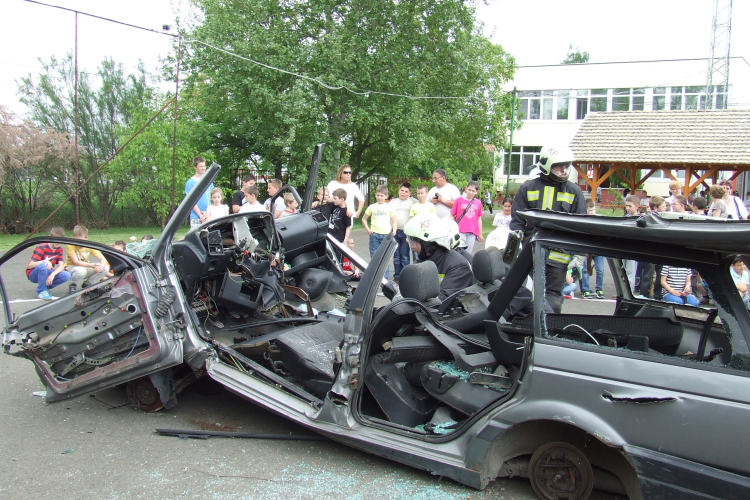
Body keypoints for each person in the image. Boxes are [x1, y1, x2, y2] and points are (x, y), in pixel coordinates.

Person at [510, 145, 586, 313]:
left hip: (558, 257)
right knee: (523, 294)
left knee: (554, 302)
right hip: (530, 254)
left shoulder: (575, 191)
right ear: (546, 165)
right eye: (558, 166)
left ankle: (549, 332)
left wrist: (579, 256)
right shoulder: (528, 187)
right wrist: (514, 250)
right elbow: (516, 222)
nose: (563, 170)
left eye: (566, 166)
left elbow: (581, 226)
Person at [404, 213, 473, 301]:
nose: (411, 246)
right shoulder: (423, 260)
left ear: (426, 243)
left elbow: (442, 302)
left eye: (413, 241)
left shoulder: (458, 266)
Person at [362, 185, 397, 278]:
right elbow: (364, 219)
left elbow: (394, 220)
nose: (380, 197)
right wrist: (368, 230)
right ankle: (375, 277)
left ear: (386, 196)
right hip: (374, 235)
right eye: (378, 195)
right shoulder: (372, 207)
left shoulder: (389, 207)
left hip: (386, 235)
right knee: (375, 257)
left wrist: (394, 231)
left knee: (385, 258)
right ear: (375, 195)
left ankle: (384, 279)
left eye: (382, 195)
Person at [26, 226, 71, 300]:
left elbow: (61, 266)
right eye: (55, 239)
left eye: (60, 240)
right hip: (34, 274)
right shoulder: (42, 247)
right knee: (44, 265)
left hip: (46, 272)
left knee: (66, 275)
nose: (58, 242)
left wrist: (52, 275)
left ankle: (45, 287)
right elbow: (30, 265)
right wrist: (44, 261)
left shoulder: (59, 249)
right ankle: (41, 291)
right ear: (50, 237)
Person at [65, 225, 111, 293]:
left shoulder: (88, 245)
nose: (78, 243)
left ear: (86, 238)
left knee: (105, 267)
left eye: (80, 241)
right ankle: (73, 285)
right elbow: (76, 262)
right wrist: (92, 265)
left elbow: (103, 259)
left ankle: (88, 284)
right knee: (81, 270)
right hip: (72, 268)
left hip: (85, 267)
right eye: (76, 240)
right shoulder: (70, 245)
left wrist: (100, 266)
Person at [389, 182, 416, 282]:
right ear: (398, 191)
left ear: (410, 193)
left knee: (404, 255)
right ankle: (397, 276)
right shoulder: (392, 202)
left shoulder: (412, 202)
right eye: (402, 190)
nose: (403, 193)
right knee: (396, 255)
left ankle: (405, 276)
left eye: (406, 191)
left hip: (405, 232)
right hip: (395, 231)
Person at [580, 199, 605, 299]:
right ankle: (585, 290)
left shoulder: (599, 220)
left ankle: (599, 289)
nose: (592, 213)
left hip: (598, 249)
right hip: (586, 249)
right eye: (590, 211)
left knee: (600, 270)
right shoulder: (583, 220)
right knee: (585, 269)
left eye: (593, 210)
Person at [450, 180, 483, 253]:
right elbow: (452, 214)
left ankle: (468, 265)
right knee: (459, 252)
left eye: (473, 191)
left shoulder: (478, 202)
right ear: (466, 188)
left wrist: (480, 233)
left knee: (468, 253)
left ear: (476, 192)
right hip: (460, 231)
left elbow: (479, 218)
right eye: (469, 190)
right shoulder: (459, 200)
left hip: (472, 232)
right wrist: (452, 228)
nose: (471, 192)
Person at [185, 156, 214, 229]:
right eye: (200, 166)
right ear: (195, 167)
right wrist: (200, 215)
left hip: (209, 214)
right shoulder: (190, 182)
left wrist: (208, 212)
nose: (203, 168)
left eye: (204, 166)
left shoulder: (208, 180)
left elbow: (213, 196)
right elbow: (191, 201)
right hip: (196, 217)